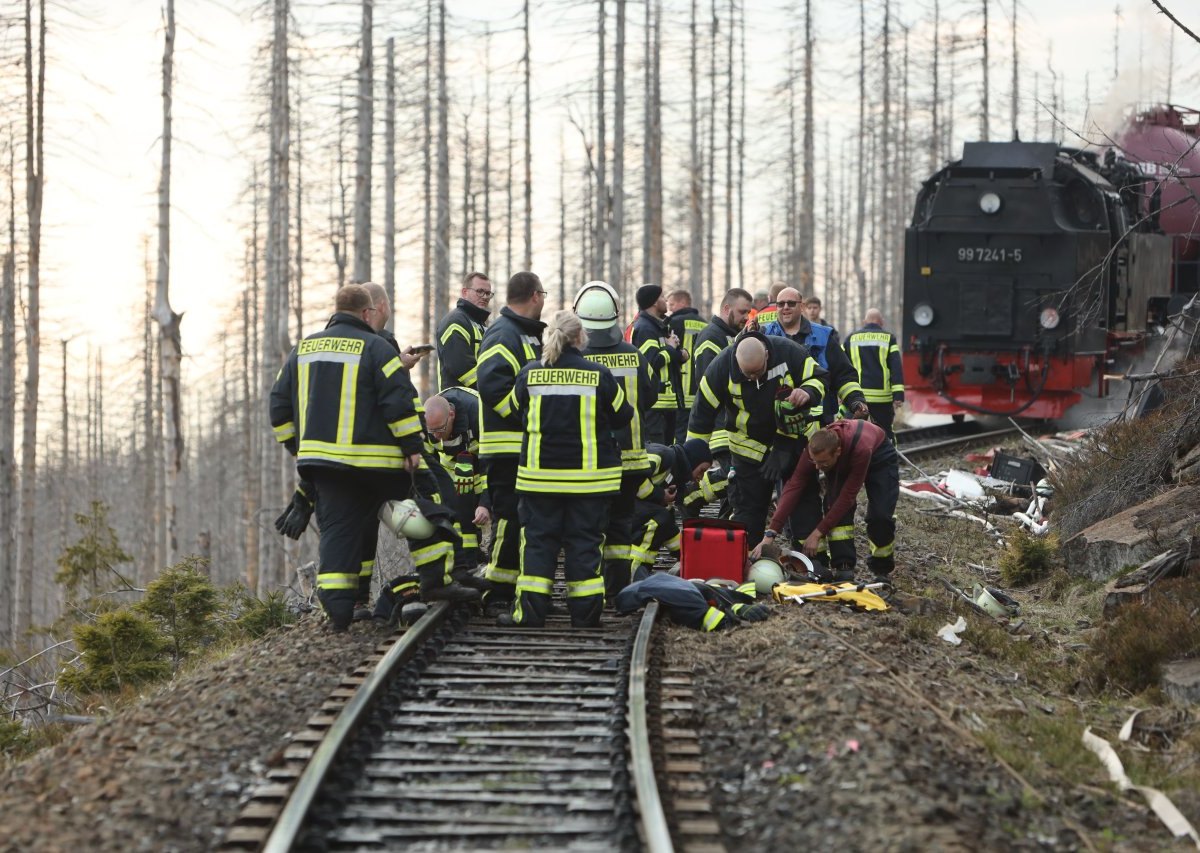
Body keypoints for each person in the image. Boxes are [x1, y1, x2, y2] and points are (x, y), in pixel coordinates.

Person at [269, 284, 478, 631]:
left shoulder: (302, 350)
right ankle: (434, 578)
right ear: (367, 313)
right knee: (415, 516)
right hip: (378, 467)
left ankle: (338, 613)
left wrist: (301, 451)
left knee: (337, 534)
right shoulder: (377, 348)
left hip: (326, 470)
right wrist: (412, 449)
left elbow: (279, 408)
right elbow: (397, 403)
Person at [499, 310, 634, 628]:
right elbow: (623, 415)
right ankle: (585, 616)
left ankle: (531, 614)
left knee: (537, 545)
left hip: (538, 480)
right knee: (585, 545)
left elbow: (515, 411)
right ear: (580, 338)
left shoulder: (529, 374)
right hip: (589, 483)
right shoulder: (598, 375)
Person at [687, 332, 827, 545]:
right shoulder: (719, 369)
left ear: (768, 355)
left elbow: (819, 377)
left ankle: (808, 561)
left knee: (803, 501)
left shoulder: (789, 351)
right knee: (747, 507)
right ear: (736, 361)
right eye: (748, 375)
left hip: (792, 442)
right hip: (747, 448)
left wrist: (808, 392)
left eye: (758, 372)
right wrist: (693, 459)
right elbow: (700, 418)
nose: (754, 379)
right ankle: (744, 558)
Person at [575, 280, 658, 599]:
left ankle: (586, 593)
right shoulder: (634, 355)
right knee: (621, 529)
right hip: (631, 459)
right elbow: (649, 398)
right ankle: (617, 591)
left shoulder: (575, 358)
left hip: (588, 462)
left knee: (587, 528)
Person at [751, 420, 899, 584]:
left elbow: (848, 497)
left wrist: (817, 532)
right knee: (832, 503)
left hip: (879, 457)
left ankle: (881, 568)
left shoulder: (861, 450)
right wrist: (771, 533)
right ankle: (844, 566)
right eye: (815, 462)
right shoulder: (815, 449)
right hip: (846, 456)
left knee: (880, 516)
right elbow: (794, 486)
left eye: (823, 463)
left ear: (838, 452)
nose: (817, 468)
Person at [476, 272, 547, 609]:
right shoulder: (504, 334)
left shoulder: (524, 335)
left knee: (524, 518)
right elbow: (491, 385)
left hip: (524, 445)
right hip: (506, 447)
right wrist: (525, 416)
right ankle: (499, 592)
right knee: (508, 517)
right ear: (535, 296)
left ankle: (517, 588)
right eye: (543, 294)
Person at [761, 286, 867, 425]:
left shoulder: (824, 336)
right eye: (780, 304)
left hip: (819, 420)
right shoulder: (764, 336)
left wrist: (855, 401)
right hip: (775, 421)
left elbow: (843, 375)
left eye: (791, 303)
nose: (785, 307)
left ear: (802, 306)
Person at [423, 389, 491, 574]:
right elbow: (427, 463)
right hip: (450, 470)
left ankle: (475, 558)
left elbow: (490, 465)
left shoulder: (478, 414)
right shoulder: (426, 424)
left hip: (480, 465)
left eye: (440, 429)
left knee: (472, 506)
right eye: (432, 431)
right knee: (455, 510)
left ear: (451, 415)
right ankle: (463, 562)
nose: (436, 436)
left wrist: (485, 503)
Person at [692, 288, 754, 475]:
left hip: (734, 427)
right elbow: (710, 385)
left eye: (748, 313)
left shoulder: (730, 337)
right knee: (736, 479)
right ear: (727, 309)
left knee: (738, 482)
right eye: (743, 312)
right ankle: (690, 497)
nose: (746, 317)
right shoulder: (711, 337)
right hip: (722, 428)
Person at [629, 440, 712, 579]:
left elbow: (667, 525)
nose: (701, 477)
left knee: (663, 517)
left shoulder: (675, 473)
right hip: (616, 505)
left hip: (627, 508)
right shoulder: (665, 455)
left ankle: (640, 573)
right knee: (658, 517)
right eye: (702, 470)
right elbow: (633, 476)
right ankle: (631, 574)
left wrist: (688, 555)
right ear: (693, 460)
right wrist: (660, 495)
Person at [627, 284, 686, 444]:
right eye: (661, 297)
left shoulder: (658, 326)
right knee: (658, 453)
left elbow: (668, 354)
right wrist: (671, 349)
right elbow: (651, 362)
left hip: (665, 404)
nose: (665, 300)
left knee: (668, 452)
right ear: (653, 302)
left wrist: (680, 353)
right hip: (656, 404)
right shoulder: (646, 328)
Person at [844, 308, 905, 441]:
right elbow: (896, 367)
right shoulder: (889, 338)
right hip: (882, 399)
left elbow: (841, 366)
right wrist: (898, 395)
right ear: (881, 322)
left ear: (864, 321)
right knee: (885, 433)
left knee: (853, 433)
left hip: (857, 398)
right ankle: (888, 459)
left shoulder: (850, 338)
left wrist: (840, 393)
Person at [436, 271, 493, 390]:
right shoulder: (455, 321)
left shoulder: (479, 323)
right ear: (465, 292)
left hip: (476, 398)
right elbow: (462, 369)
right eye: (480, 291)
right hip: (459, 401)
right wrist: (491, 390)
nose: (485, 297)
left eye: (488, 293)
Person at [666, 289, 708, 443]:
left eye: (672, 304)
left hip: (680, 391)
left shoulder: (673, 323)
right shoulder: (705, 324)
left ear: (683, 303)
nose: (669, 309)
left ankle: (679, 465)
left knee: (678, 436)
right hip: (700, 391)